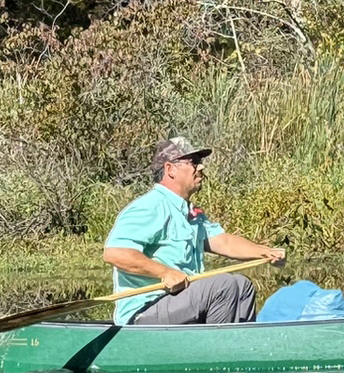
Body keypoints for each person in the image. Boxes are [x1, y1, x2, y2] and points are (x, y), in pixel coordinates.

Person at [102, 136, 286, 327]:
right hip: (145, 311)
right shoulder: (150, 206)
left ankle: (237, 342)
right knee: (224, 285)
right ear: (170, 169)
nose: (201, 167)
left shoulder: (190, 213)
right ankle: (215, 344)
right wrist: (165, 273)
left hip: (180, 303)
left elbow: (223, 242)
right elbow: (116, 253)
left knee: (243, 285)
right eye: (193, 162)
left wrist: (265, 252)